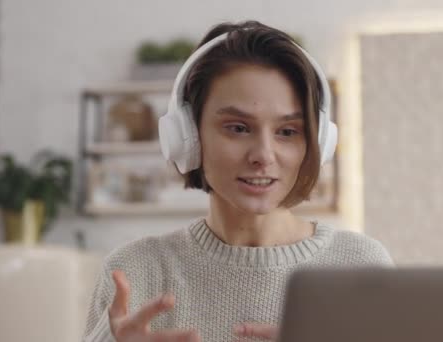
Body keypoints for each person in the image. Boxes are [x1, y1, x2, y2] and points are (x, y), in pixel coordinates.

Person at [82, 20, 392, 342]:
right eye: (238, 128)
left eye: (287, 132)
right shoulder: (134, 273)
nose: (263, 155)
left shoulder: (362, 267)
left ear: (317, 142)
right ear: (187, 136)